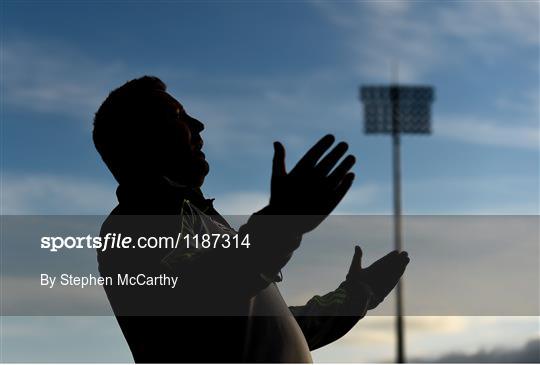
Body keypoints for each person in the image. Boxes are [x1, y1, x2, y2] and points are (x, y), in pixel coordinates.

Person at [93, 76, 410, 363]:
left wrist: (358, 294)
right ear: (140, 139)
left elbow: (285, 328)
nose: (199, 125)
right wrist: (278, 227)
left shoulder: (205, 224)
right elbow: (199, 298)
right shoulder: (129, 227)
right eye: (177, 116)